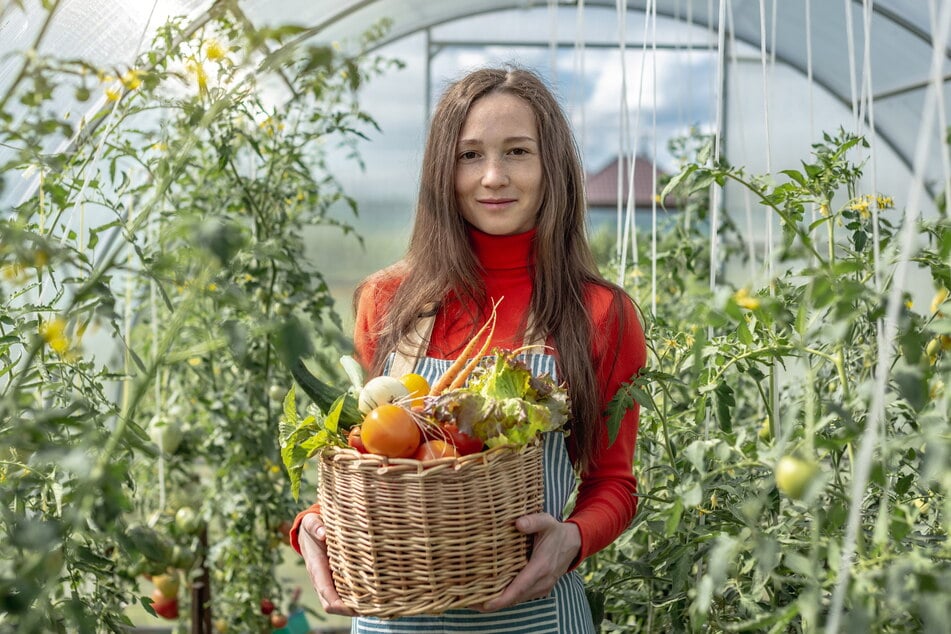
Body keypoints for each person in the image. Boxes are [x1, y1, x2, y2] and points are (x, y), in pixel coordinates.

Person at [289, 66, 647, 634]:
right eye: (470, 155)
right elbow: (369, 463)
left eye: (518, 152)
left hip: (536, 618)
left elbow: (615, 483)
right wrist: (312, 524)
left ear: (552, 166)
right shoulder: (387, 301)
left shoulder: (601, 314)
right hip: (393, 621)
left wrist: (571, 542)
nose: (494, 177)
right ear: (442, 170)